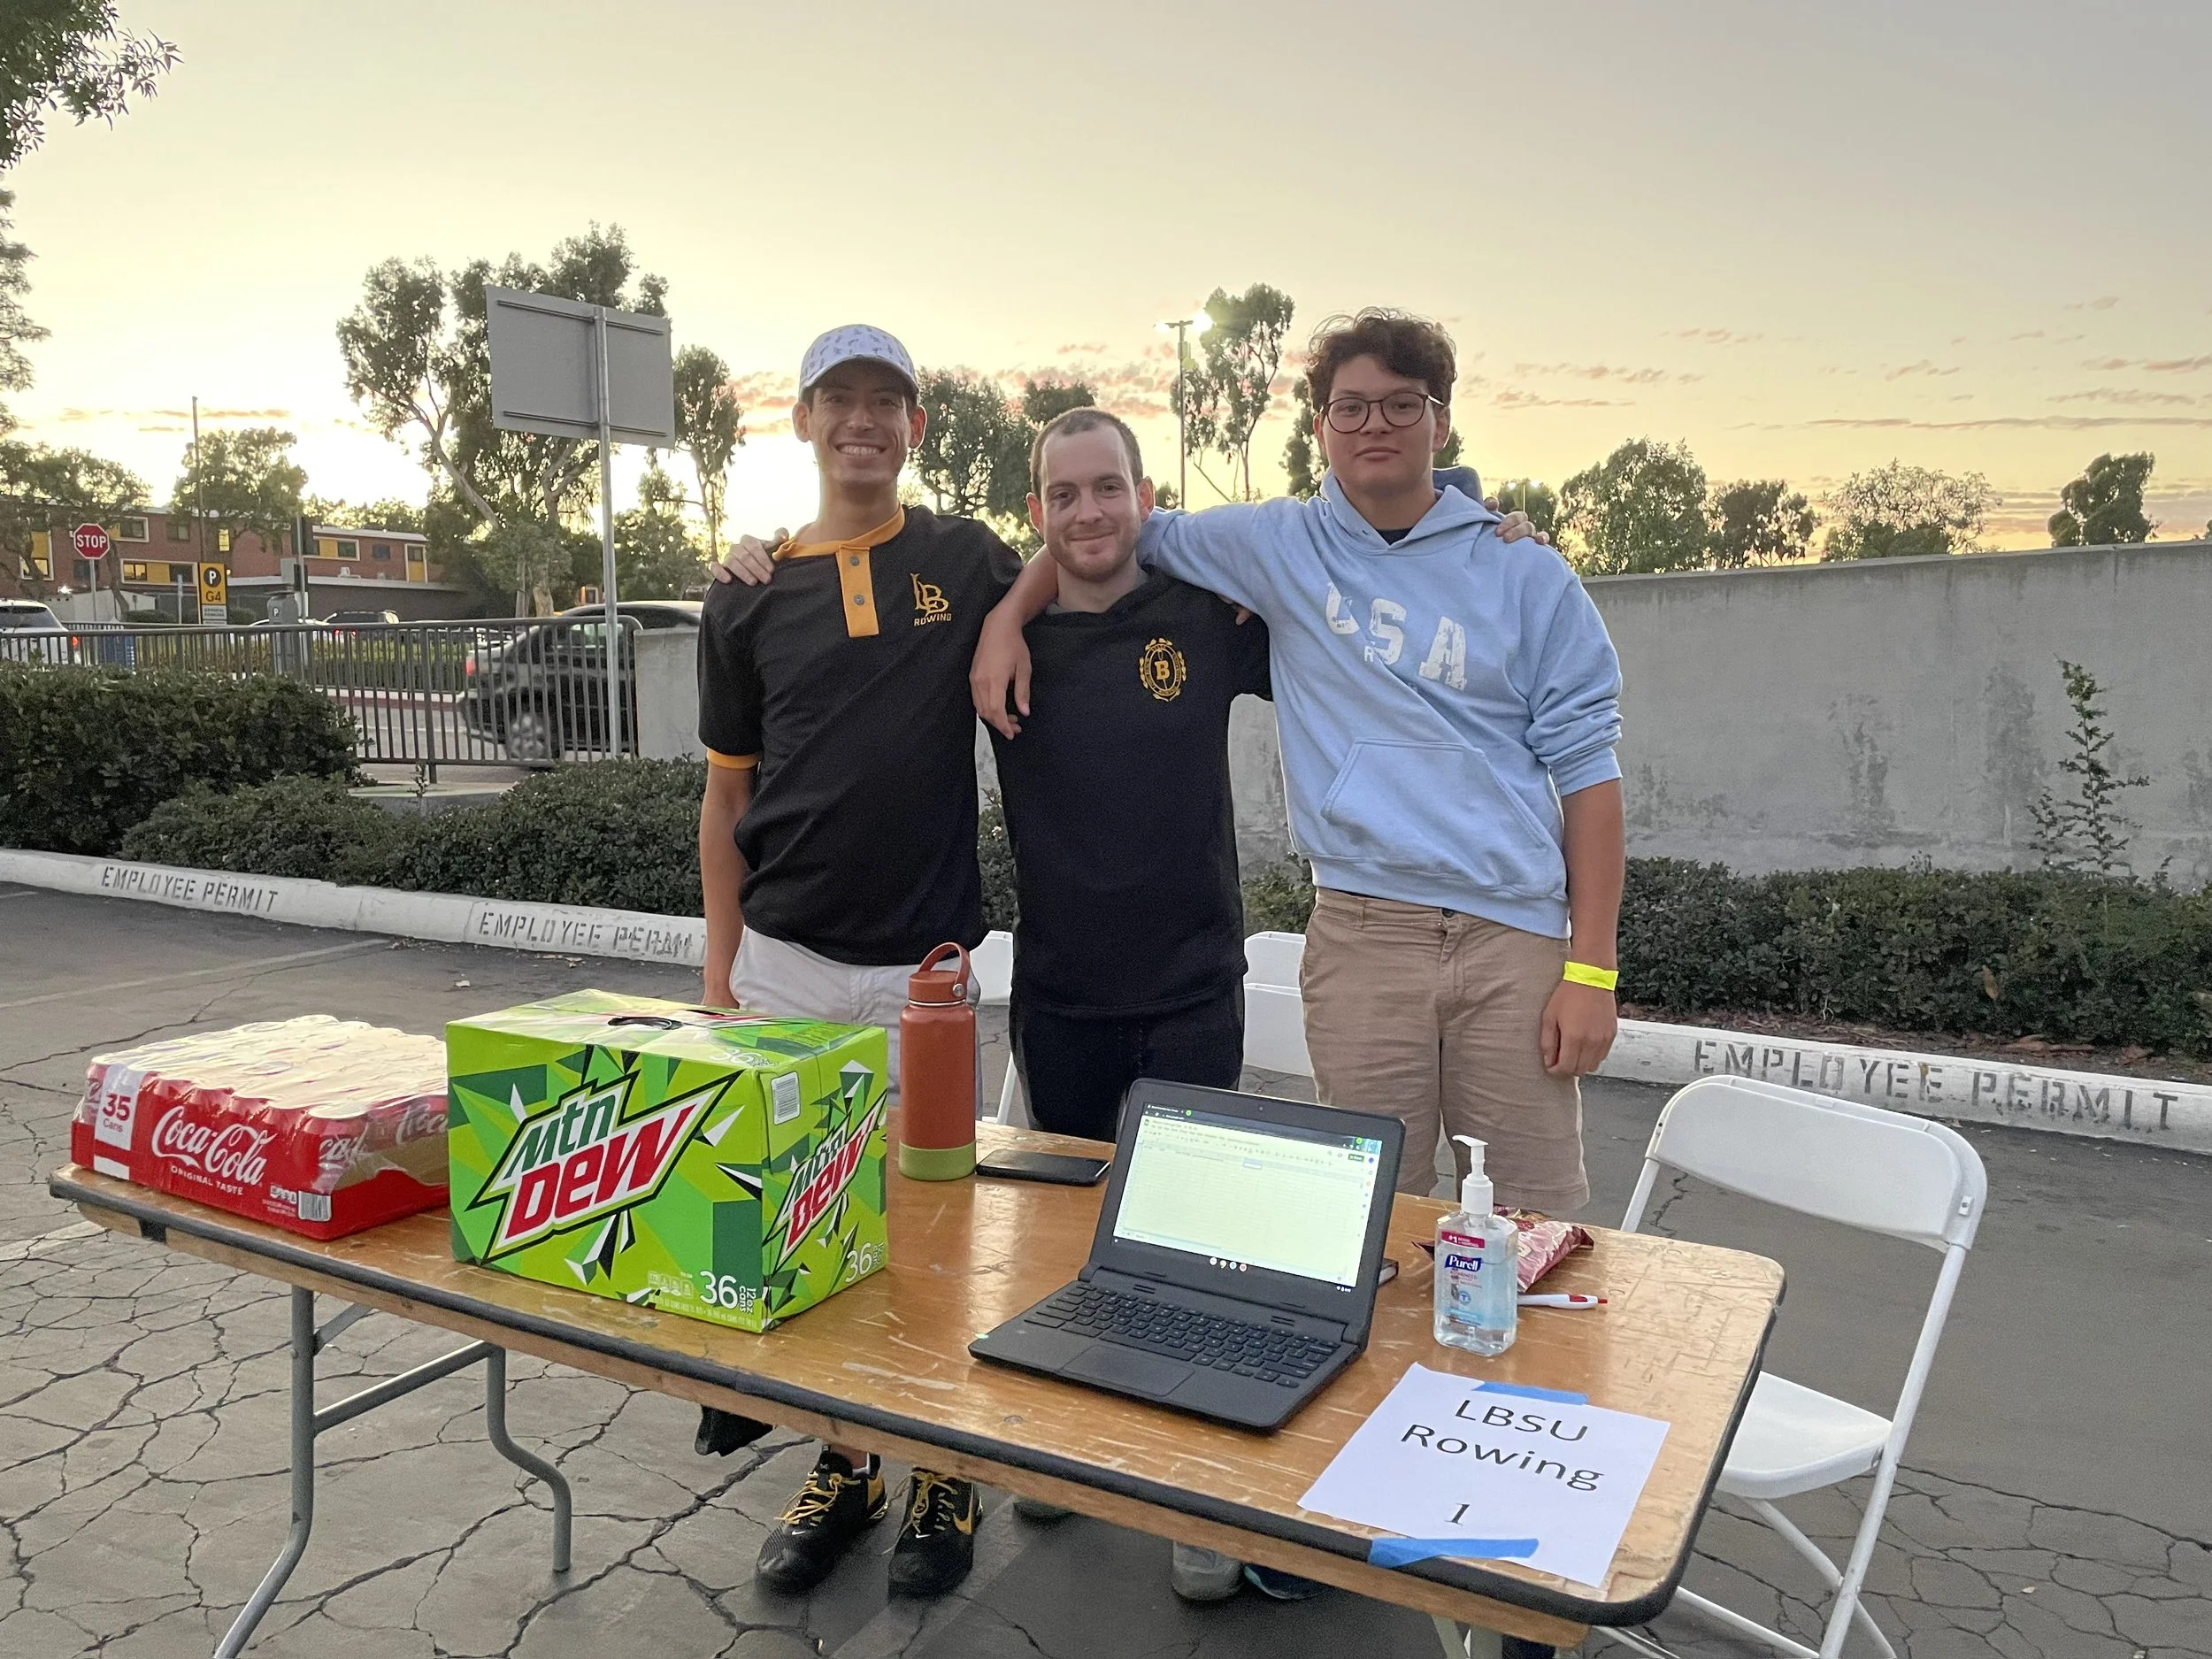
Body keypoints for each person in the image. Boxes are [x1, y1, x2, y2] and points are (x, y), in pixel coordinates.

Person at [972, 309, 1625, 1223]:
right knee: (1366, 1225)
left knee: (1534, 1222)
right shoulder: (1274, 545)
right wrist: (1005, 619)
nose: (1375, 427)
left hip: (1511, 939)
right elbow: (1104, 536)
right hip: (1362, 934)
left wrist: (1590, 971)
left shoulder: (1527, 576)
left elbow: (1590, 776)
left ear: (1440, 420)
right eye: (1349, 408)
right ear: (1318, 426)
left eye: (1401, 405)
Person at [694, 323, 1020, 1600]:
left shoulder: (961, 556)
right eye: (841, 402)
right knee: (812, 1224)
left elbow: (1077, 559)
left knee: (935, 1228)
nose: (863, 423)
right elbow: (726, 802)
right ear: (805, 421)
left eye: (888, 402)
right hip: (782, 965)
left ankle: (944, 1459)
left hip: (924, 973)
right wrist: (720, 974)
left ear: (916, 427)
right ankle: (847, 1460)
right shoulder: (747, 591)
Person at [990, 406, 1271, 1144]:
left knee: (1187, 1234)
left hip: (1196, 998)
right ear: (1035, 511)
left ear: (1146, 498)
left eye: (1109, 488)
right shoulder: (1000, 641)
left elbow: (1345, 597)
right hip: (1061, 1004)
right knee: (1059, 1235)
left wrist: (1465, 525)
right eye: (1065, 494)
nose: (1089, 512)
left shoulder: (1211, 616)